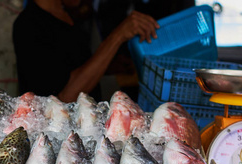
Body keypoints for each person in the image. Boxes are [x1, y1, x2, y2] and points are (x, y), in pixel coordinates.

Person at [13, 0, 159, 102]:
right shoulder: (28, 25)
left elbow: (69, 67)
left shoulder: (67, 16)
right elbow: (65, 97)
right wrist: (118, 35)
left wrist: (108, 66)